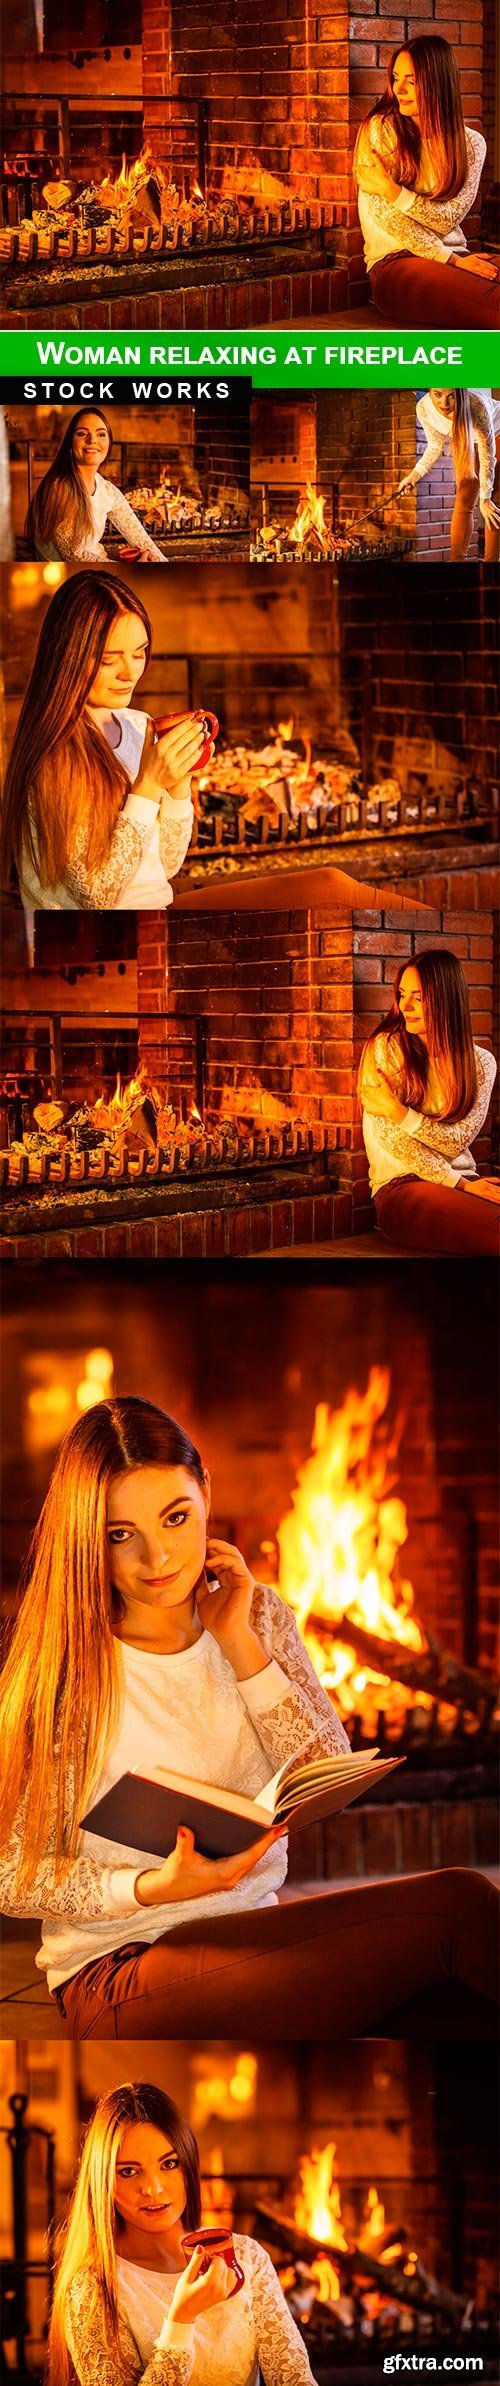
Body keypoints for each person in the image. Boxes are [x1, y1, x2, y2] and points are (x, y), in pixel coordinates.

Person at [0, 1396, 498, 2039]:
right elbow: (14, 1876)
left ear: (206, 1492)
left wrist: (238, 1641)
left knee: (456, 2002)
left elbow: (326, 1771)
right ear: (86, 1537)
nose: (159, 1559)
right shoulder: (69, 1666)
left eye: (176, 1517)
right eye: (120, 1534)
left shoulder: (260, 1617)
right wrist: (151, 1886)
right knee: (459, 1908)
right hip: (122, 1968)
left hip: (257, 1934)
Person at [47, 2079, 314, 2386]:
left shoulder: (247, 2257)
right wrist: (181, 2321)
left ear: (189, 2167)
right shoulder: (93, 2288)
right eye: (129, 2171)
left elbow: (296, 2379)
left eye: (169, 2164)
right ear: (103, 2181)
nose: (153, 2188)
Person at [1, 571, 209, 910]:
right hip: (92, 941)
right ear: (68, 658)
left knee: (327, 882)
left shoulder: (139, 725)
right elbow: (97, 895)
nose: (130, 673)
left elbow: (165, 867)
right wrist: (149, 783)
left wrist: (178, 784)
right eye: (108, 660)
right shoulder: (55, 754)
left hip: (159, 912)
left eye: (139, 653)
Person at [359, 949, 499, 1255]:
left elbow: (456, 1142)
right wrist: (461, 1184)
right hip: (401, 1188)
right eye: (401, 994)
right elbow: (397, 1144)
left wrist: (400, 1112)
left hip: (465, 1181)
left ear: (447, 999)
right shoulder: (385, 1049)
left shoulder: (481, 1063)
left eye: (418, 998)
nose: (404, 1006)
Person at [354, 36, 499, 330]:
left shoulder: (471, 143)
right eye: (396, 78)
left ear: (438, 82)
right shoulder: (380, 130)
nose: (399, 90)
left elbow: (448, 219)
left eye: (412, 80)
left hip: (456, 257)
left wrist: (393, 190)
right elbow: (390, 219)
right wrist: (452, 261)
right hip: (396, 265)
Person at [25, 408, 166, 563]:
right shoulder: (58, 488)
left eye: (101, 434)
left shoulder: (107, 491)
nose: (92, 440)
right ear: (70, 443)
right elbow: (74, 555)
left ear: (109, 443)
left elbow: (143, 541)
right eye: (82, 433)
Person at [398, 389, 500, 560]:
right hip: (472, 439)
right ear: (429, 390)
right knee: (464, 498)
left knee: (493, 502)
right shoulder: (423, 408)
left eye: (451, 396)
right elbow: (435, 446)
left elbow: (487, 455)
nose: (444, 404)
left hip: (496, 433)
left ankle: (491, 566)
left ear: (460, 393)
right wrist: (415, 475)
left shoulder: (476, 407)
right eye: (438, 394)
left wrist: (485, 499)